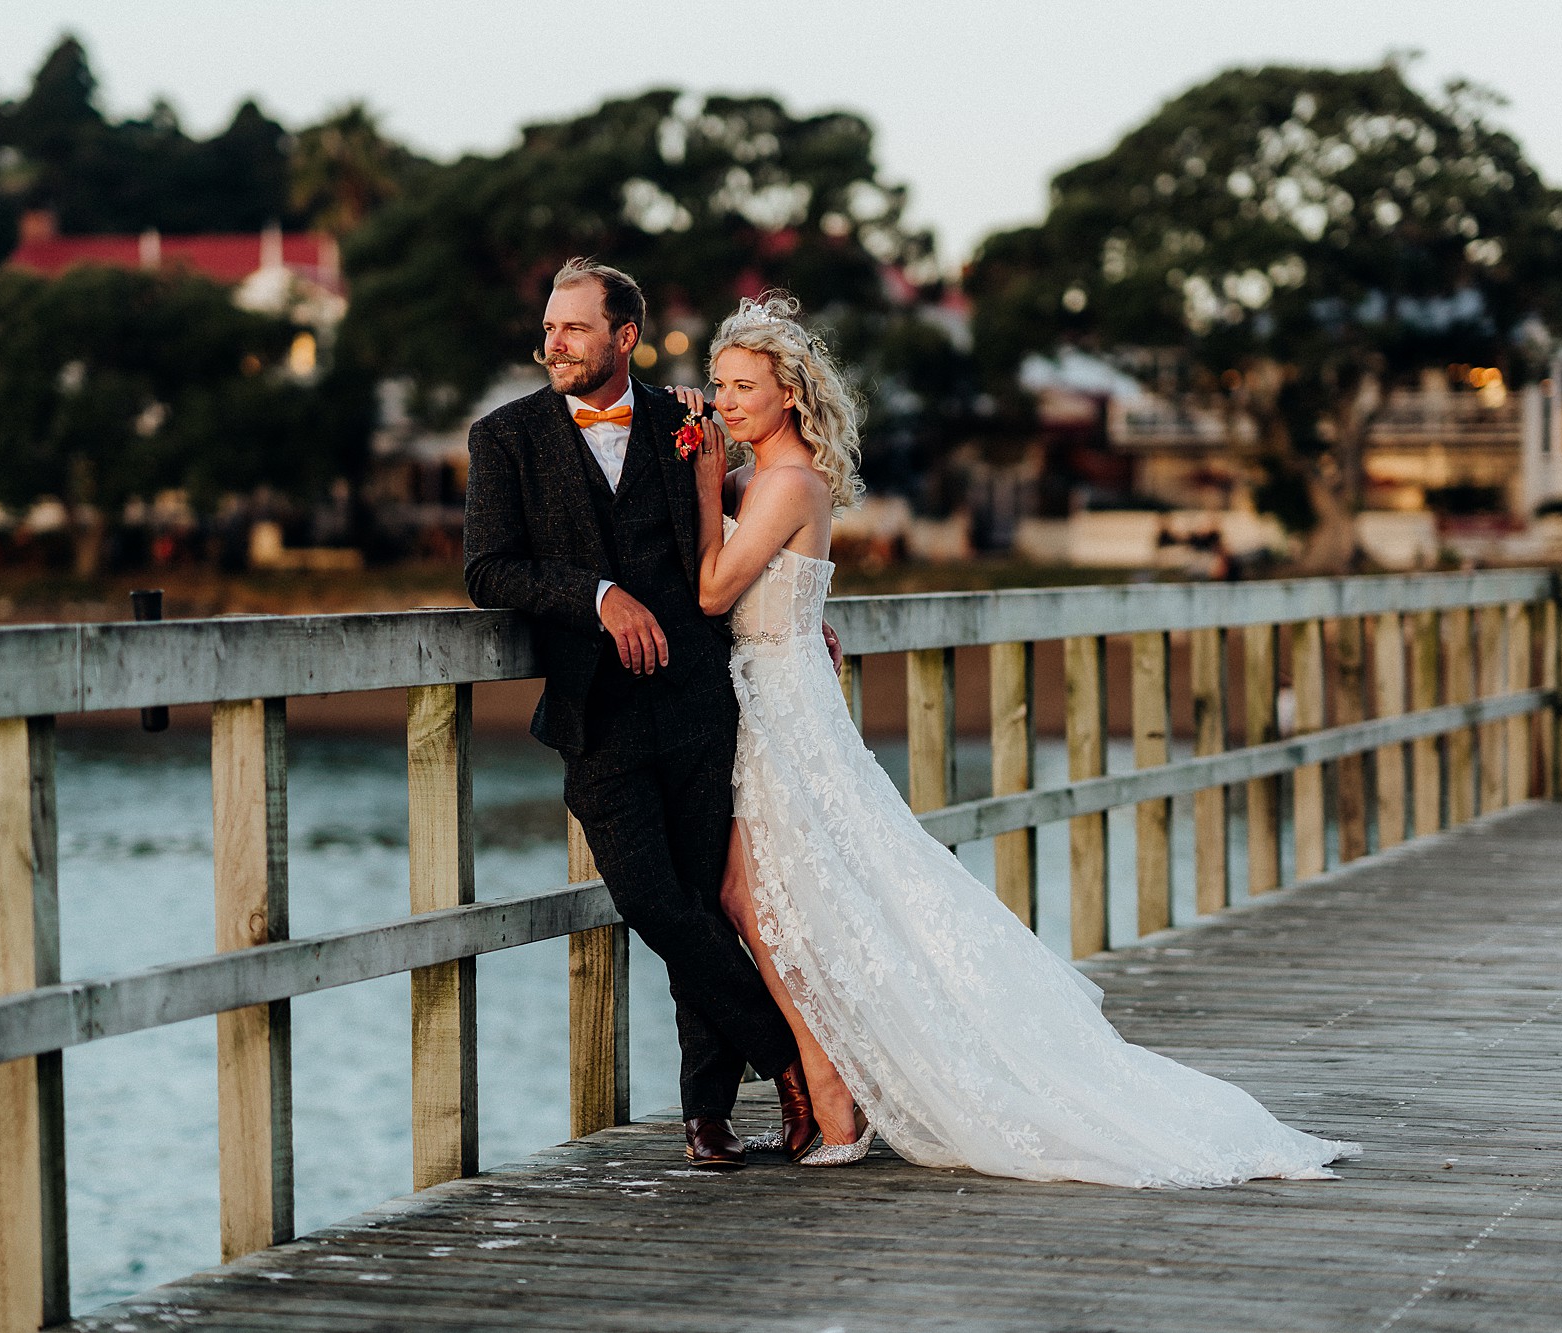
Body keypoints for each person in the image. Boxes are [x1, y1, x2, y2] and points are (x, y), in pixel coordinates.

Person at [677, 293, 1362, 1182]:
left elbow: (711, 591)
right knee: (772, 895)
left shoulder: (787, 482)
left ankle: (831, 1094)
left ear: (790, 394)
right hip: (769, 693)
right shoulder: (755, 479)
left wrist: (699, 485)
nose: (726, 402)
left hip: (784, 704)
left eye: (743, 387)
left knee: (783, 896)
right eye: (719, 386)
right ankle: (825, 1086)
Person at [463, 259, 833, 1168]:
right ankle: (790, 1061)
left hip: (704, 702)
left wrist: (811, 621)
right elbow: (488, 570)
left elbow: (762, 545)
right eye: (549, 326)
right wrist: (596, 594)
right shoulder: (502, 437)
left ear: (623, 337)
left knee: (708, 897)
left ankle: (706, 1115)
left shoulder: (689, 422)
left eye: (574, 328)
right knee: (655, 901)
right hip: (597, 713)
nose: (553, 342)